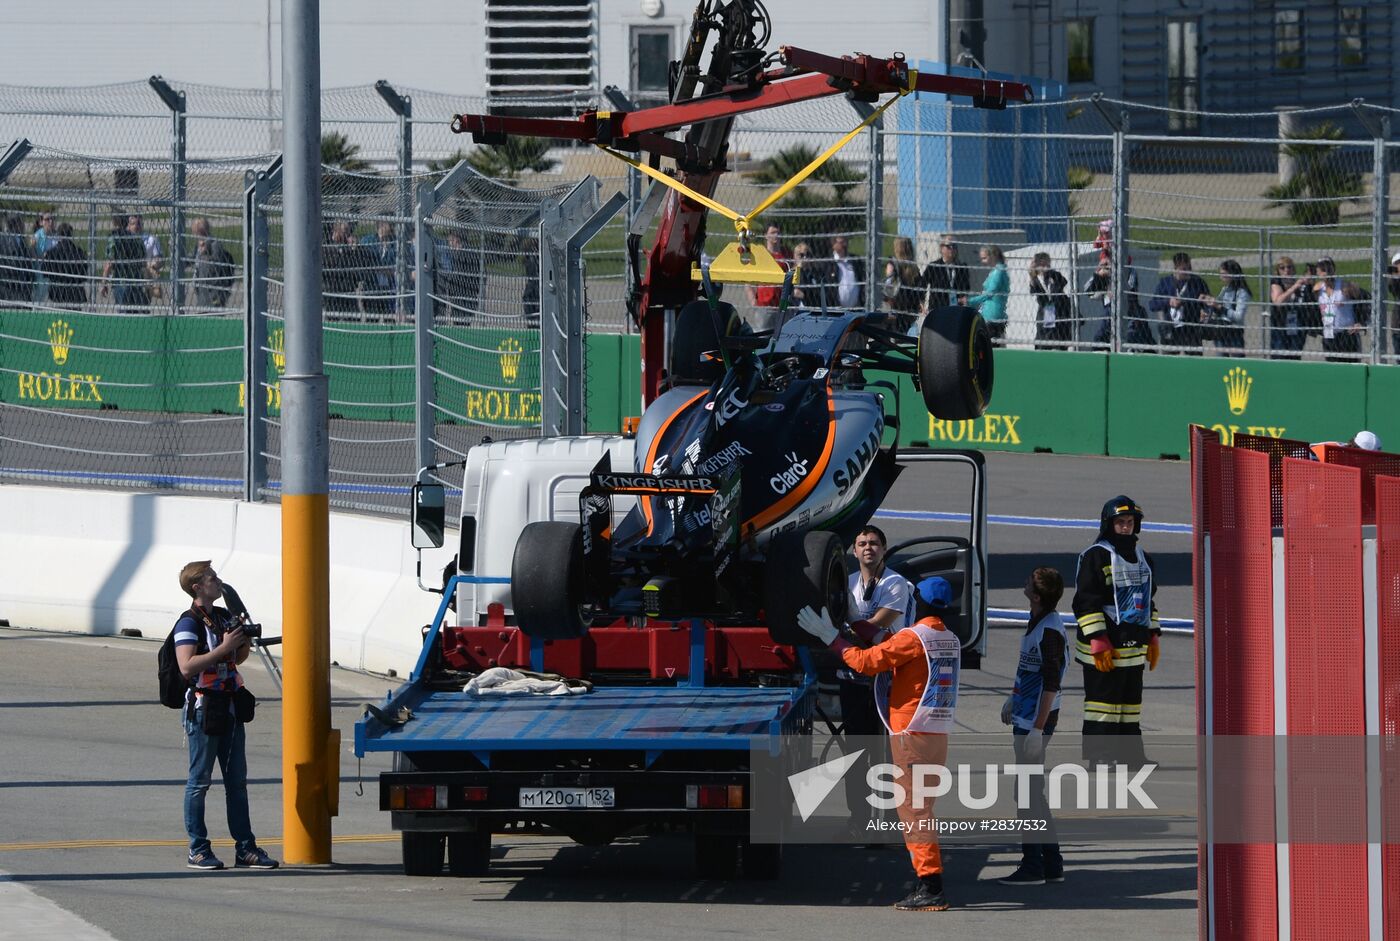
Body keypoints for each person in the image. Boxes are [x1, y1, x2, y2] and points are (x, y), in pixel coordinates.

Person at [796, 577, 960, 912]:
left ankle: (931, 885)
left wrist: (832, 638)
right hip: (935, 734)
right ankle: (926, 880)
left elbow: (867, 662)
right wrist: (856, 620)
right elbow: (888, 640)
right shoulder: (948, 638)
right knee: (920, 808)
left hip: (910, 734)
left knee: (915, 811)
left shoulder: (915, 638)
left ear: (921, 604)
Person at [172, 561, 278, 872]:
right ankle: (198, 848)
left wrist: (239, 643)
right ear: (197, 587)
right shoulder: (188, 623)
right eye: (212, 578)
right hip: (205, 711)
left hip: (230, 707)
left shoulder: (220, 617)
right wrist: (225, 646)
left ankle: (245, 848)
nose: (219, 582)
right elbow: (187, 666)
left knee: (237, 783)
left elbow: (236, 659)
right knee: (199, 782)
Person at [1072, 496, 1160, 767]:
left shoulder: (1144, 558)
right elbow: (1085, 601)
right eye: (1120, 522)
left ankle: (1130, 755)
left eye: (1130, 522)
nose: (1125, 527)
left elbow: (1148, 599)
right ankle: (1101, 756)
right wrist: (1098, 638)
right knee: (1102, 705)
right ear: (1109, 524)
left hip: (1133, 645)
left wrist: (1153, 635)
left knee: (1130, 705)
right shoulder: (1095, 556)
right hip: (1105, 647)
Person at [837, 525, 912, 835]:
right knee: (856, 753)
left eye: (874, 543)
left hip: (885, 680)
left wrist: (845, 632)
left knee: (886, 753)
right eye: (862, 543)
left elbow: (873, 627)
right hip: (852, 677)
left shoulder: (896, 584)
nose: (868, 548)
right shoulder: (847, 584)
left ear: (883, 549)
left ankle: (891, 818)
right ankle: (859, 817)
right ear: (854, 552)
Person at [998, 567, 1068, 886]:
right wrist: (1013, 699)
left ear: (1037, 596)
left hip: (1036, 720)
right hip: (1025, 713)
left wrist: (1038, 730)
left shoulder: (1050, 630)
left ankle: (1032, 866)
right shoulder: (1037, 620)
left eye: (1028, 583)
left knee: (1027, 794)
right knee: (1031, 792)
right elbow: (1028, 668)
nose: (1024, 583)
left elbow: (1051, 683)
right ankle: (1051, 862)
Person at [1148, 252, 1207, 353]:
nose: (1188, 271)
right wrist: (1168, 302)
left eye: (1189, 268)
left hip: (1191, 328)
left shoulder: (1197, 282)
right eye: (1184, 269)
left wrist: (1205, 310)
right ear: (1176, 268)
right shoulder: (1165, 282)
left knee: (1194, 359)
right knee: (1170, 360)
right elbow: (1152, 305)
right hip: (1171, 328)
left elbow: (1207, 302)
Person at [101, 213, 150, 311]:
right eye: (133, 224)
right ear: (127, 224)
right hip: (136, 283)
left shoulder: (115, 238)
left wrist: (104, 283)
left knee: (125, 314)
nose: (136, 227)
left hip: (121, 282)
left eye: (139, 224)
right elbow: (143, 265)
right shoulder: (138, 241)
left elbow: (109, 263)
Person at [1314, 256, 1359, 361]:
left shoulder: (1345, 286)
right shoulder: (1317, 289)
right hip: (1329, 333)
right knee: (1332, 367)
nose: (1326, 273)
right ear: (1318, 272)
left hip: (1347, 334)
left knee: (1350, 367)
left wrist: (1360, 322)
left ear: (1334, 269)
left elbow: (1365, 301)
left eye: (1328, 269)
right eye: (1323, 270)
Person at [746, 223, 790, 329]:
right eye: (773, 233)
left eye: (778, 233)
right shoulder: (760, 255)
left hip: (782, 305)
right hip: (764, 305)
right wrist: (753, 300)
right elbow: (748, 279)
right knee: (763, 335)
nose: (776, 235)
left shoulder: (787, 254)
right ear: (766, 235)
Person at [1268, 256, 1312, 360]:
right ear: (1278, 271)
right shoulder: (1276, 283)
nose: (1286, 270)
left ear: (1294, 269)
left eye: (1289, 267)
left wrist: (1308, 283)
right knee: (1279, 356)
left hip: (1296, 327)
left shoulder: (1300, 285)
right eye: (1282, 268)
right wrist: (1295, 287)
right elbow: (1278, 302)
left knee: (1295, 357)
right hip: (1280, 327)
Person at [1202, 259, 1249, 356]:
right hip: (1220, 331)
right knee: (1221, 361)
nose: (1221, 276)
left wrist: (1219, 307)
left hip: (1234, 332)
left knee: (1237, 362)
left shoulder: (1242, 292)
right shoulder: (1225, 289)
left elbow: (1238, 317)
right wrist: (1210, 302)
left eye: (1223, 273)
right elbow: (1219, 309)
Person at [1028, 251, 1072, 349]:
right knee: (1045, 337)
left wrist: (1051, 274)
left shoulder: (1054, 275)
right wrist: (1032, 275)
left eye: (1046, 263)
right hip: (1047, 310)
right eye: (1041, 263)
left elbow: (1063, 282)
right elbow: (1033, 291)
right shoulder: (1035, 279)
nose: (1044, 266)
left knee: (1059, 336)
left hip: (1059, 309)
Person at [967, 245, 1009, 341]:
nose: (983, 261)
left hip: (992, 314)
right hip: (991, 312)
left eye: (985, 258)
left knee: (988, 344)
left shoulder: (998, 272)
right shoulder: (997, 271)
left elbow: (990, 293)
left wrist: (970, 300)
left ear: (993, 256)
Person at [41, 222, 88, 309]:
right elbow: (84, 274)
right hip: (75, 292)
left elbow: (44, 272)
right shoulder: (78, 252)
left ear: (58, 235)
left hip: (57, 292)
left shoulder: (52, 253)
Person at [191, 217, 236, 309]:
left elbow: (217, 266)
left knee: (213, 312)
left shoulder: (214, 244)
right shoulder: (198, 246)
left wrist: (205, 255)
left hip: (214, 289)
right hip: (202, 288)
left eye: (201, 233)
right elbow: (192, 258)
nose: (199, 237)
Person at [812, 234, 865, 310]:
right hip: (835, 309)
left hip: (856, 309)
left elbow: (862, 279)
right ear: (834, 244)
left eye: (845, 241)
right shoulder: (827, 263)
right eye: (841, 242)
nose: (845, 245)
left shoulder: (855, 261)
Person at [882, 237, 924, 330]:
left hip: (895, 305)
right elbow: (920, 287)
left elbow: (888, 286)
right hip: (910, 307)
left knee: (893, 333)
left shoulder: (893, 264)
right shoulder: (913, 267)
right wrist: (921, 303)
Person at [921, 237, 970, 311]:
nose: (952, 249)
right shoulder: (934, 267)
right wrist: (922, 303)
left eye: (954, 246)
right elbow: (922, 285)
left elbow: (966, 287)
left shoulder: (962, 267)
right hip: (938, 307)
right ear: (941, 248)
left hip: (956, 308)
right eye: (949, 246)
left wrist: (963, 298)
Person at [0, 213, 36, 304]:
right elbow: (22, 263)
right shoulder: (18, 240)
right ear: (17, 224)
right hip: (16, 286)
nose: (24, 226)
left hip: (6, 284)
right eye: (22, 222)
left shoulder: (4, 238)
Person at [1387, 252, 1400, 359]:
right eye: (1397, 264)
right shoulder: (1394, 281)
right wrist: (1394, 275)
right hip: (1397, 328)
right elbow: (1392, 287)